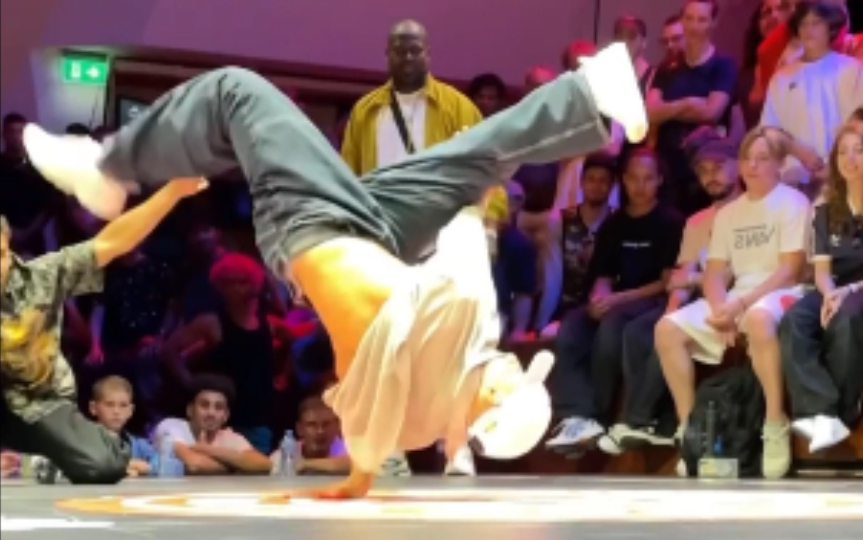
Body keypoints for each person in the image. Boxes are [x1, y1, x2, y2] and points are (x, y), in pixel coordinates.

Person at [22, 43, 648, 498]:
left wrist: (465, 215)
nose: (515, 363)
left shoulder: (446, 333)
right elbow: (372, 443)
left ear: (488, 404)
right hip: (371, 227)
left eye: (514, 380)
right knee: (475, 156)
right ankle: (591, 95)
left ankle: (109, 168)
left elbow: (462, 258)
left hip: (312, 223)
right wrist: (360, 479)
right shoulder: (413, 411)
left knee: (238, 89)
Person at [0, 178, 204, 484]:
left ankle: (38, 461)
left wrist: (173, 191)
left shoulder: (42, 277)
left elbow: (112, 242)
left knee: (104, 465)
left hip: (38, 403)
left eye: (0, 254)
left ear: (8, 248)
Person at [655, 127, 811, 479]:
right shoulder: (728, 214)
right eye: (746, 159)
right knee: (667, 329)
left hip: (782, 292)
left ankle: (775, 423)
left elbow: (789, 270)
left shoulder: (793, 202)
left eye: (762, 159)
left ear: (779, 164)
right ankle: (692, 431)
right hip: (737, 297)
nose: (752, 166)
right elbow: (714, 273)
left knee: (758, 319)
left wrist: (738, 307)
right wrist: (719, 309)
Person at [779, 125, 863, 453]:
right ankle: (819, 410)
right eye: (842, 152)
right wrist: (829, 293)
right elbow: (822, 270)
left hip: (858, 289)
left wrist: (846, 292)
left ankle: (841, 413)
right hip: (835, 286)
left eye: (859, 150)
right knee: (794, 320)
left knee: (847, 317)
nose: (850, 158)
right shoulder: (826, 208)